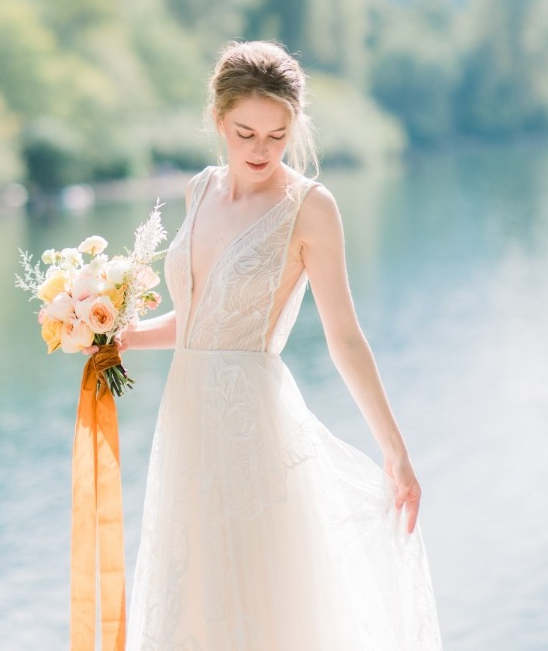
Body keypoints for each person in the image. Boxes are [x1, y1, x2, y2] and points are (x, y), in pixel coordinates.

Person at [89, 39, 442, 649]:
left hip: (253, 428)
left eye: (277, 135)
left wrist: (396, 451)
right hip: (188, 425)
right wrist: (115, 338)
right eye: (245, 133)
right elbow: (201, 322)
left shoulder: (310, 207)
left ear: (295, 125)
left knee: (265, 606)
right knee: (194, 599)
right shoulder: (200, 190)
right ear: (219, 120)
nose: (261, 150)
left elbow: (346, 338)